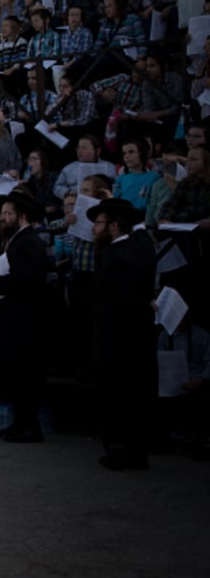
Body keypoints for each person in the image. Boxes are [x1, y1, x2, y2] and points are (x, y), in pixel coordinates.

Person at [89, 198, 156, 470]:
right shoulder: (140, 246)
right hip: (138, 333)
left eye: (99, 223)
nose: (94, 228)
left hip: (116, 335)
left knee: (117, 393)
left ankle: (119, 449)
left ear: (114, 226)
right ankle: (136, 449)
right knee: (136, 393)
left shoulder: (115, 256)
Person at [0, 192, 50, 443]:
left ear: (21, 217)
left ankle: (28, 426)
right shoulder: (16, 241)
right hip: (13, 316)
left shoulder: (27, 242)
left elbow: (25, 280)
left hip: (24, 318)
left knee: (25, 374)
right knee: (16, 373)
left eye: (8, 214)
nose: (2, 218)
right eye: (2, 214)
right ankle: (21, 423)